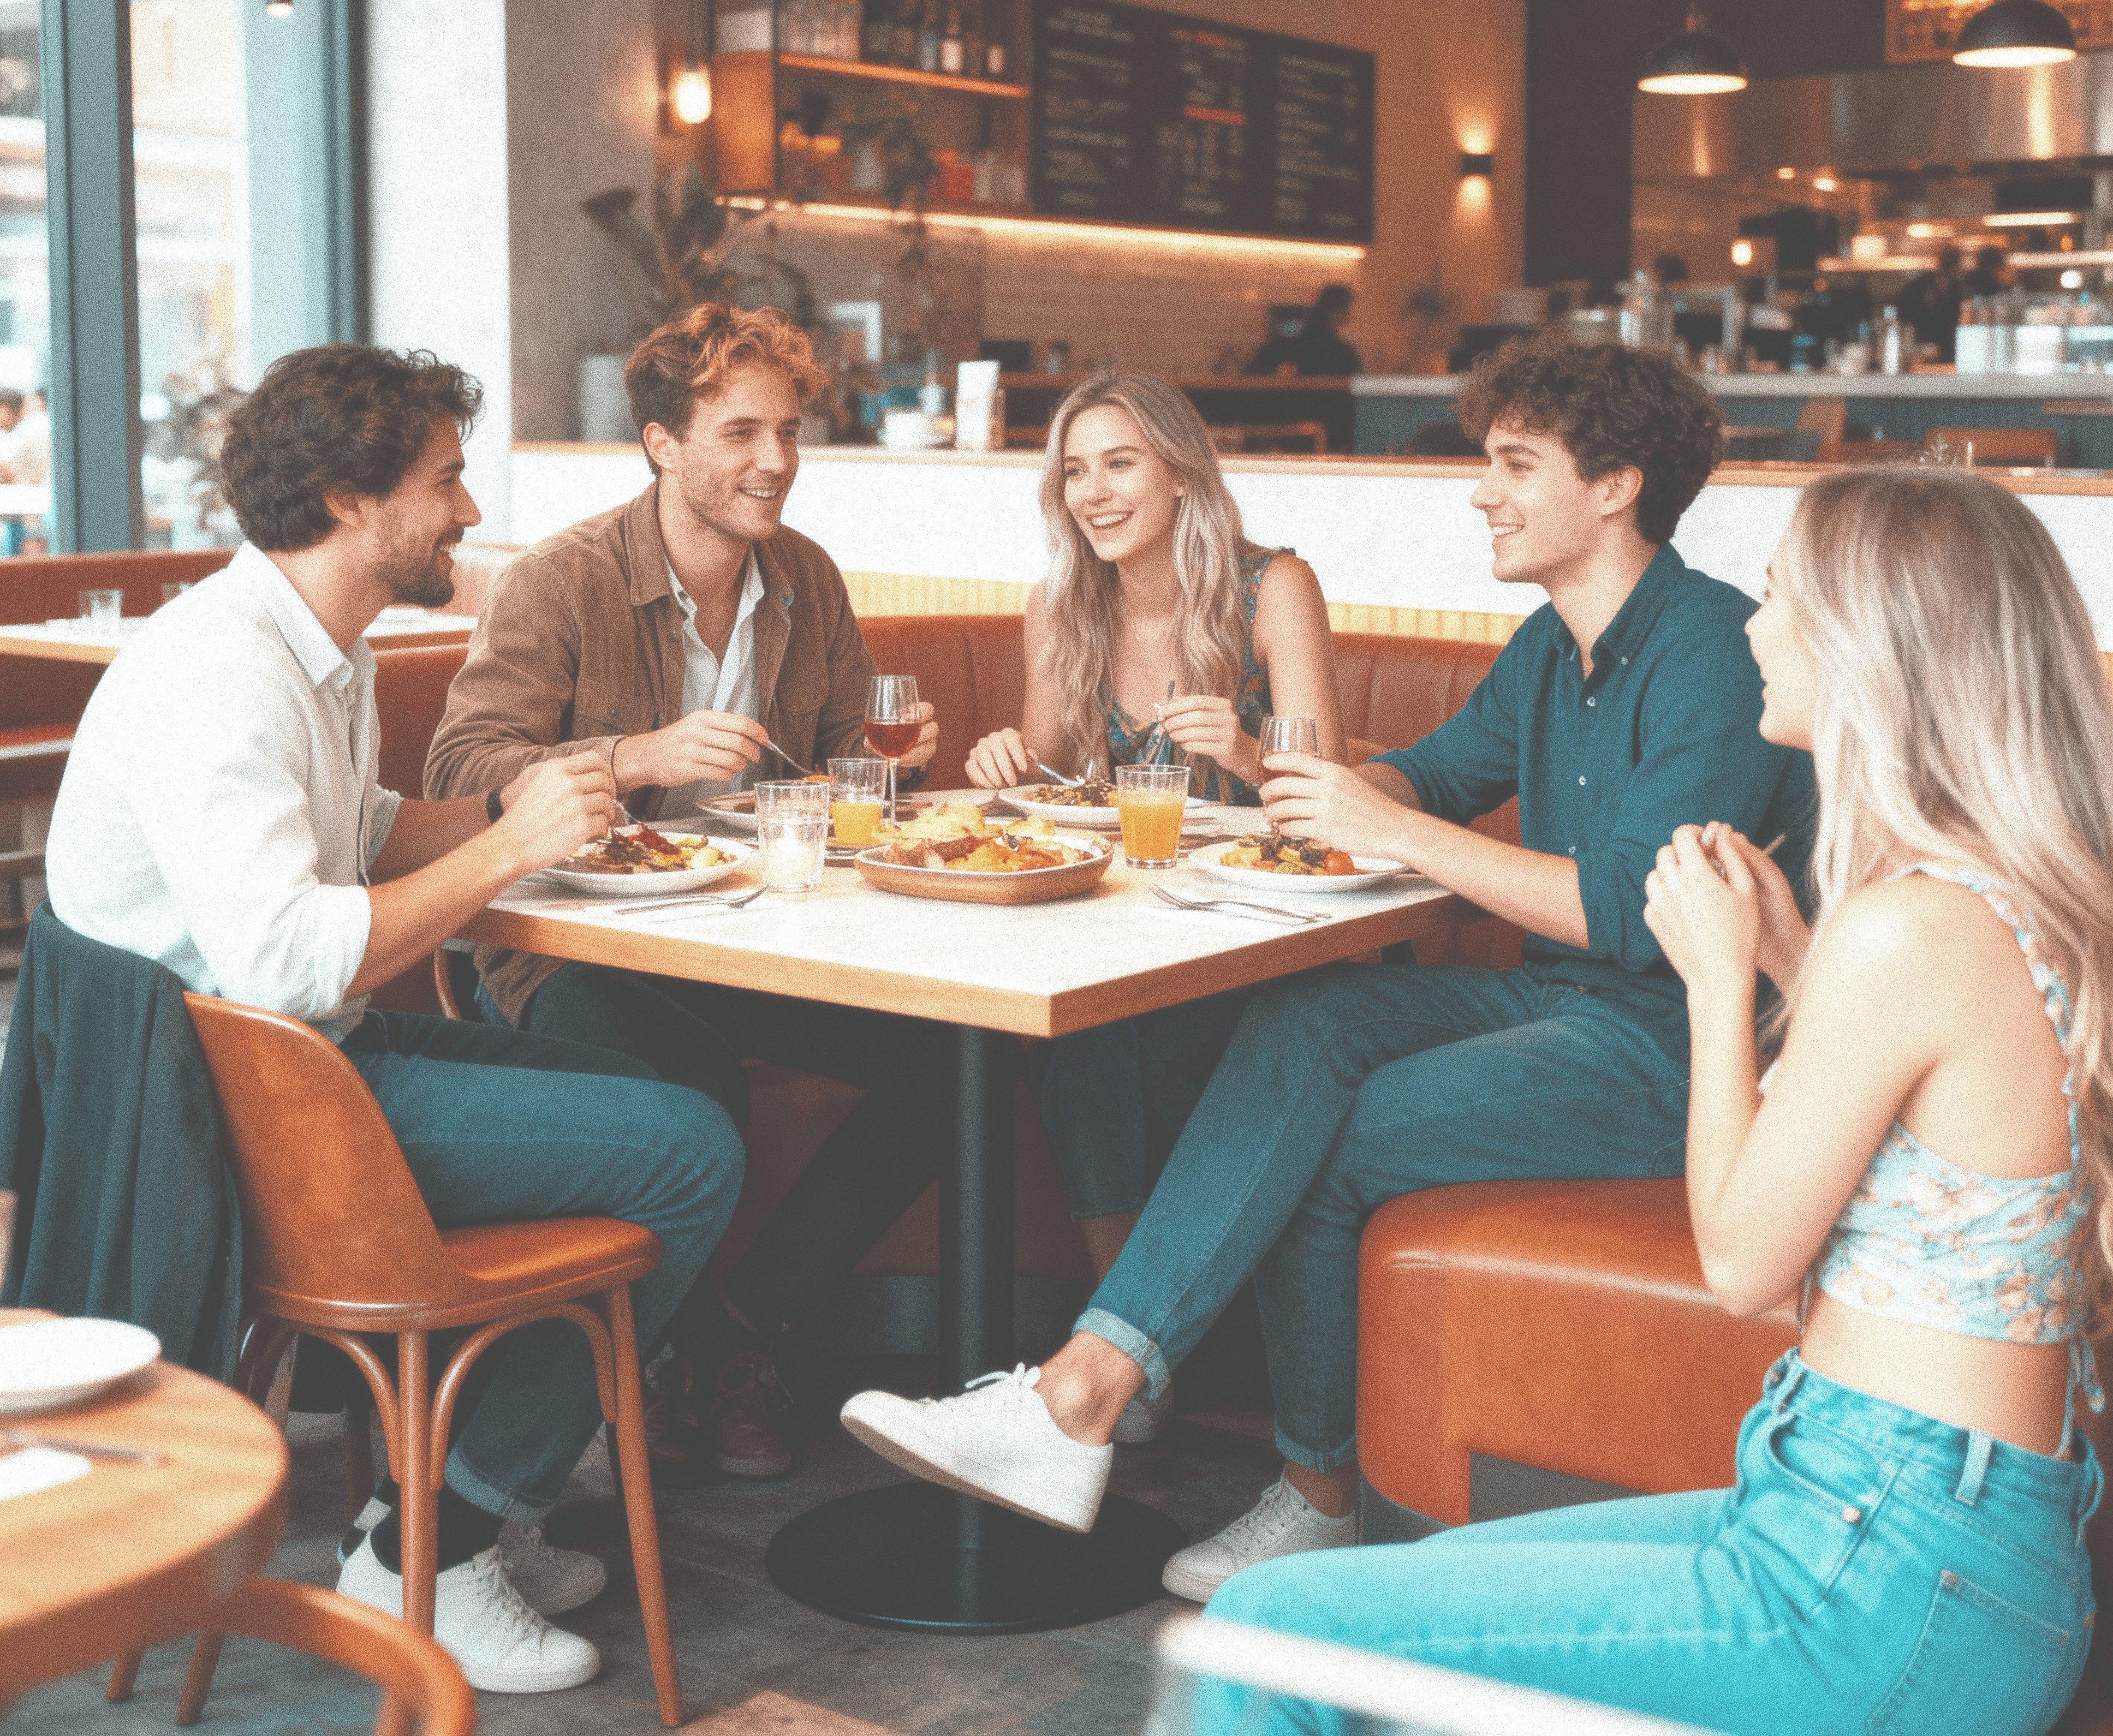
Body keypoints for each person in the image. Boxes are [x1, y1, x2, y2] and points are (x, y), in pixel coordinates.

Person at [1192, 464, 2113, 1736]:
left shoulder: (1909, 930)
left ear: (1871, 647)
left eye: (1780, 599)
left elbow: (1741, 1265)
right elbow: (1921, 1172)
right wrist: (1784, 960)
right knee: (1335, 1615)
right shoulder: (1982, 901)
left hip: (1878, 1574)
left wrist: (1716, 984)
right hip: (1895, 1532)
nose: (1750, 628)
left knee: (1275, 1633)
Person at [841, 331, 1817, 1598]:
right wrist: (1307, 783)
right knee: (1307, 1023)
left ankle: (1299, 1482)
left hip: (1674, 1046)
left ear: (1616, 483)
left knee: (1333, 1128)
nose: (1480, 490)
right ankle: (1086, 1395)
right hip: (1550, 1002)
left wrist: (1384, 827)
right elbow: (1427, 779)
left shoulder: (1708, 648)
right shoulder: (1545, 646)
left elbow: (1643, 914)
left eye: (1513, 464)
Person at [42, 344, 744, 1695]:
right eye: (445, 480)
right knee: (689, 1149)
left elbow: (357, 835)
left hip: (294, 1062)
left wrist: (510, 810)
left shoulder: (314, 646)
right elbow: (287, 957)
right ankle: (439, 1532)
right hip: (234, 1108)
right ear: (355, 502)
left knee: (636, 1079)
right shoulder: (220, 675)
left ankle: (464, 1502)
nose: (469, 511)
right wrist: (505, 851)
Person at [425, 302, 951, 1484]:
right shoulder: (558, 583)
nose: (776, 461)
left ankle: (741, 1330)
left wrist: (891, 761)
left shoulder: (804, 577)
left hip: (766, 939)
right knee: (695, 1084)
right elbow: (457, 775)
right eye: (740, 432)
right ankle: (644, 1361)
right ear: (663, 443)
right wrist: (630, 756)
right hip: (573, 953)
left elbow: (829, 766)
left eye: (789, 429)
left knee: (956, 1061)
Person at [961, 371, 1346, 1410]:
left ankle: (1118, 1363)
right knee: (1079, 1045)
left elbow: (1330, 791)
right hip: (1130, 933)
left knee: (1102, 1044)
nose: (1095, 491)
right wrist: (1003, 759)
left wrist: (1255, 750)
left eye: (1120, 462)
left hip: (1267, 938)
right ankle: (1130, 1363)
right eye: (1076, 471)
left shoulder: (1274, 587)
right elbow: (1044, 775)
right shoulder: (1061, 604)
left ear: (1179, 472)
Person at [1248, 285, 1361, 379]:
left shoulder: (1290, 340)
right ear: (1337, 312)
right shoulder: (1340, 350)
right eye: (1347, 309)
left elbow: (1252, 371)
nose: (1349, 315)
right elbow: (1361, 380)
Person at [1892, 240, 1966, 354]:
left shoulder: (1955, 287)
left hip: (1945, 344)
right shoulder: (1923, 284)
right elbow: (1903, 308)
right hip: (1925, 343)